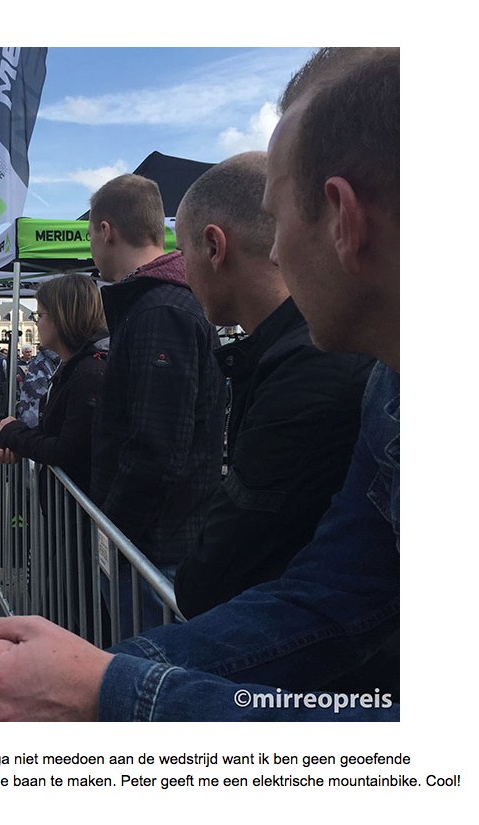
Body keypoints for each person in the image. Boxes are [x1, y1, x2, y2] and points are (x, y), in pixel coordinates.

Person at [0, 47, 399, 721]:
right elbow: (330, 597)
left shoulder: (288, 360)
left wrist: (105, 685)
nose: (273, 250)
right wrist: (102, 672)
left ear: (343, 219)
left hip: (161, 557)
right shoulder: (387, 392)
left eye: (278, 219)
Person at [172, 151, 373, 619]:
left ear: (214, 246)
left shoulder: (309, 366)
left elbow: (215, 573)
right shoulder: (297, 353)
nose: (278, 251)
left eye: (181, 255)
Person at [88, 173, 226, 630]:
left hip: (154, 549)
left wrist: (113, 528)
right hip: (154, 542)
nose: (92, 248)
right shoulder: (155, 305)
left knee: (146, 658)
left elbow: (156, 447)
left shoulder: (160, 311)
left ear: (106, 230)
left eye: (91, 235)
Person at [0, 275, 108, 498]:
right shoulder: (74, 366)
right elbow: (54, 431)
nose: (36, 323)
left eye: (40, 315)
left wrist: (14, 434)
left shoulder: (89, 373)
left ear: (62, 318)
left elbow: (66, 450)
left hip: (79, 508)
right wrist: (16, 440)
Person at [15, 343, 61, 428]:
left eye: (30, 352)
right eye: (27, 352)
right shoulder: (39, 365)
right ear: (23, 353)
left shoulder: (42, 363)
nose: (29, 354)